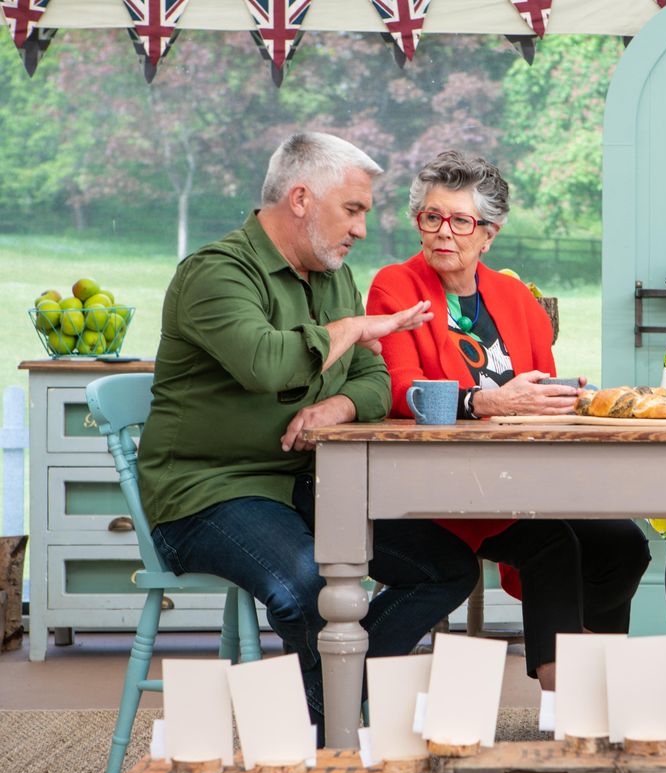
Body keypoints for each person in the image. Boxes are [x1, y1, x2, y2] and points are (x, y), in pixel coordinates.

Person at [139, 132, 480, 734]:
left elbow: (376, 378)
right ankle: (333, 739)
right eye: (353, 210)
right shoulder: (214, 274)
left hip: (310, 482)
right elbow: (266, 364)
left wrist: (341, 407)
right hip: (208, 490)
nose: (362, 229)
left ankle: (320, 705)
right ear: (300, 198)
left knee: (447, 566)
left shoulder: (330, 276)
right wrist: (350, 328)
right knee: (312, 585)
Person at [367, 151, 650, 690]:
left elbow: (538, 394)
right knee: (553, 545)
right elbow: (400, 390)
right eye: (431, 217)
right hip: (439, 483)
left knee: (624, 545)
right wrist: (483, 402)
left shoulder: (517, 298)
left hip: (522, 480)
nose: (442, 232)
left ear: (489, 234)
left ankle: (593, 684)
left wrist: (565, 401)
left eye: (460, 221)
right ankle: (560, 691)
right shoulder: (394, 286)